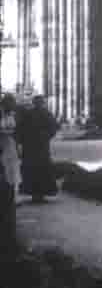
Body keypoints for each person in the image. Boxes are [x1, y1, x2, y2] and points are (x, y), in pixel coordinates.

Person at [17, 94, 59, 203]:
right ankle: (40, 194)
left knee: (32, 169)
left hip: (31, 146)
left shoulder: (28, 114)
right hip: (40, 146)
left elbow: (20, 129)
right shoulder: (46, 114)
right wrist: (46, 137)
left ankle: (35, 193)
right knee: (42, 169)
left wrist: (23, 141)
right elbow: (53, 128)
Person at [0, 93, 20, 258]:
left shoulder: (11, 115)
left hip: (9, 151)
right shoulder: (3, 115)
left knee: (10, 182)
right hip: (4, 152)